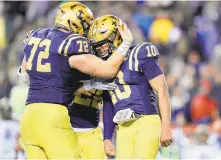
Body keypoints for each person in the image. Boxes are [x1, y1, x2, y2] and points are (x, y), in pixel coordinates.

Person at [19, 2, 133, 159]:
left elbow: (24, 75)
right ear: (75, 23)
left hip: (28, 117)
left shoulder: (35, 35)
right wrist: (126, 43)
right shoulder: (72, 43)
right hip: (53, 115)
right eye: (85, 25)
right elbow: (108, 70)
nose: (86, 31)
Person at [87, 15, 173, 159]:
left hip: (145, 121)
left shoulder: (139, 53)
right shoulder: (104, 67)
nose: (100, 49)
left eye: (103, 43)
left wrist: (166, 127)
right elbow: (109, 104)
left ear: (116, 37)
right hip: (123, 127)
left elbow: (162, 90)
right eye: (97, 46)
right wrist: (107, 137)